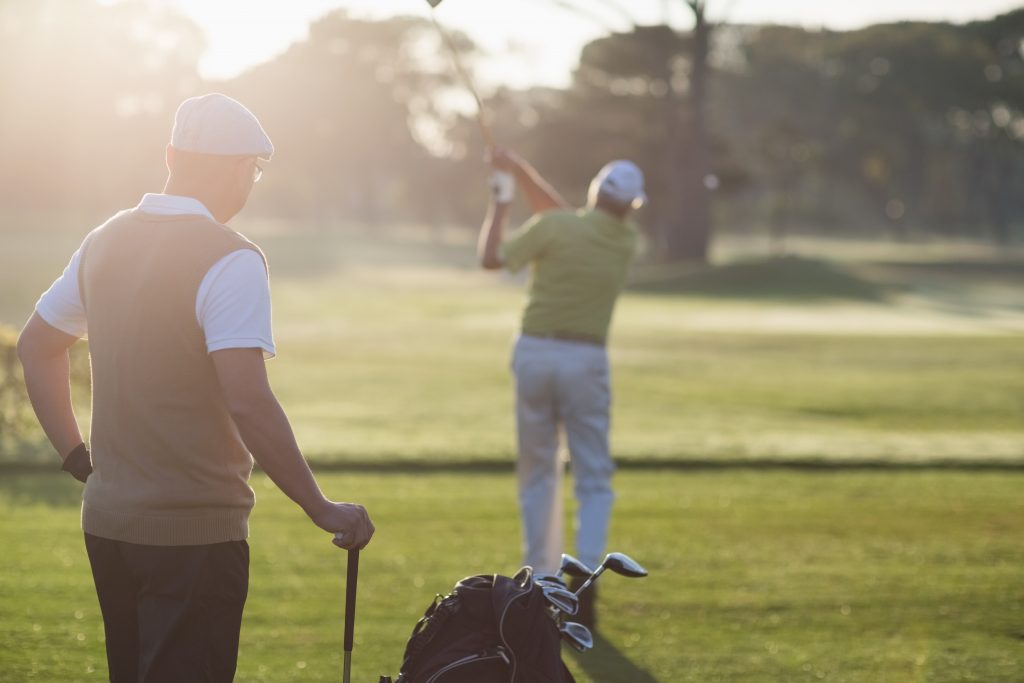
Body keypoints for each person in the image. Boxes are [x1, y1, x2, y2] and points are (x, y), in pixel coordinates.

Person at [16, 93, 374, 682]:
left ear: (171, 155)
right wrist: (320, 507)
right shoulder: (232, 258)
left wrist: (76, 456)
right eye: (254, 169)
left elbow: (37, 347)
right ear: (239, 169)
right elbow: (248, 400)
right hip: (195, 539)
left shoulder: (103, 239)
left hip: (107, 525)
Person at [477, 147, 645, 627]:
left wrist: (503, 197)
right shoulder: (625, 240)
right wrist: (524, 171)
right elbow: (559, 213)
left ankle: (541, 581)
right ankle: (585, 579)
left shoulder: (556, 227)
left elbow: (491, 258)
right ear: (631, 206)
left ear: (595, 192)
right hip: (586, 359)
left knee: (538, 474)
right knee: (592, 476)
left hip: (533, 353)